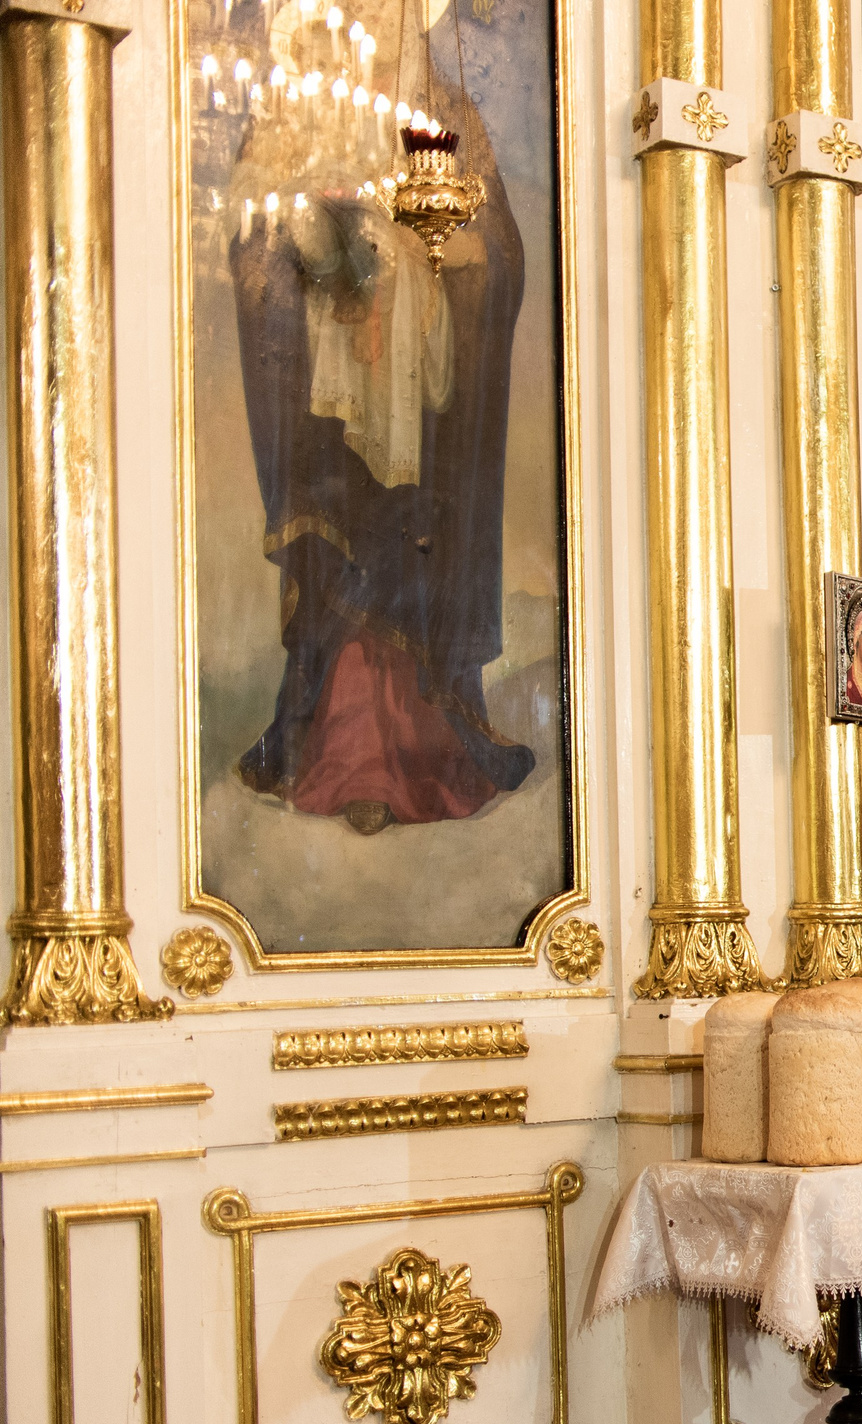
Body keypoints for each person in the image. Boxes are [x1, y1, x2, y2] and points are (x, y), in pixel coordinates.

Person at [227, 8, 535, 835]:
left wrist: (446, 269)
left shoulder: (448, 113)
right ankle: (343, 750)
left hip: (423, 397)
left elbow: (500, 255)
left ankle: (431, 745)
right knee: (343, 550)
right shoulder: (300, 107)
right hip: (327, 405)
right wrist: (324, 278)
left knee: (411, 543)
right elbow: (252, 250)